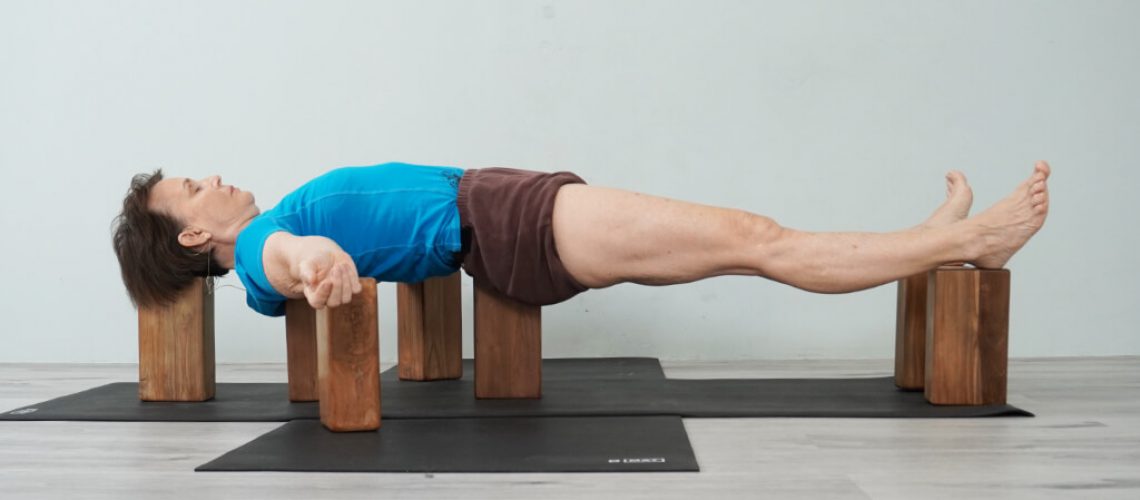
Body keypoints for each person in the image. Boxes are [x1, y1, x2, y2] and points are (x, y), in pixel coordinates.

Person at [111, 161, 1051, 315]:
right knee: (759, 239)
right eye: (199, 185)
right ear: (196, 230)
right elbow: (287, 264)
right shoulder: (269, 242)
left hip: (506, 209)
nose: (219, 176)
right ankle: (959, 244)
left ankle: (940, 244)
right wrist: (318, 261)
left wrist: (311, 258)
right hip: (505, 218)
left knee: (747, 243)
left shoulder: (267, 239)